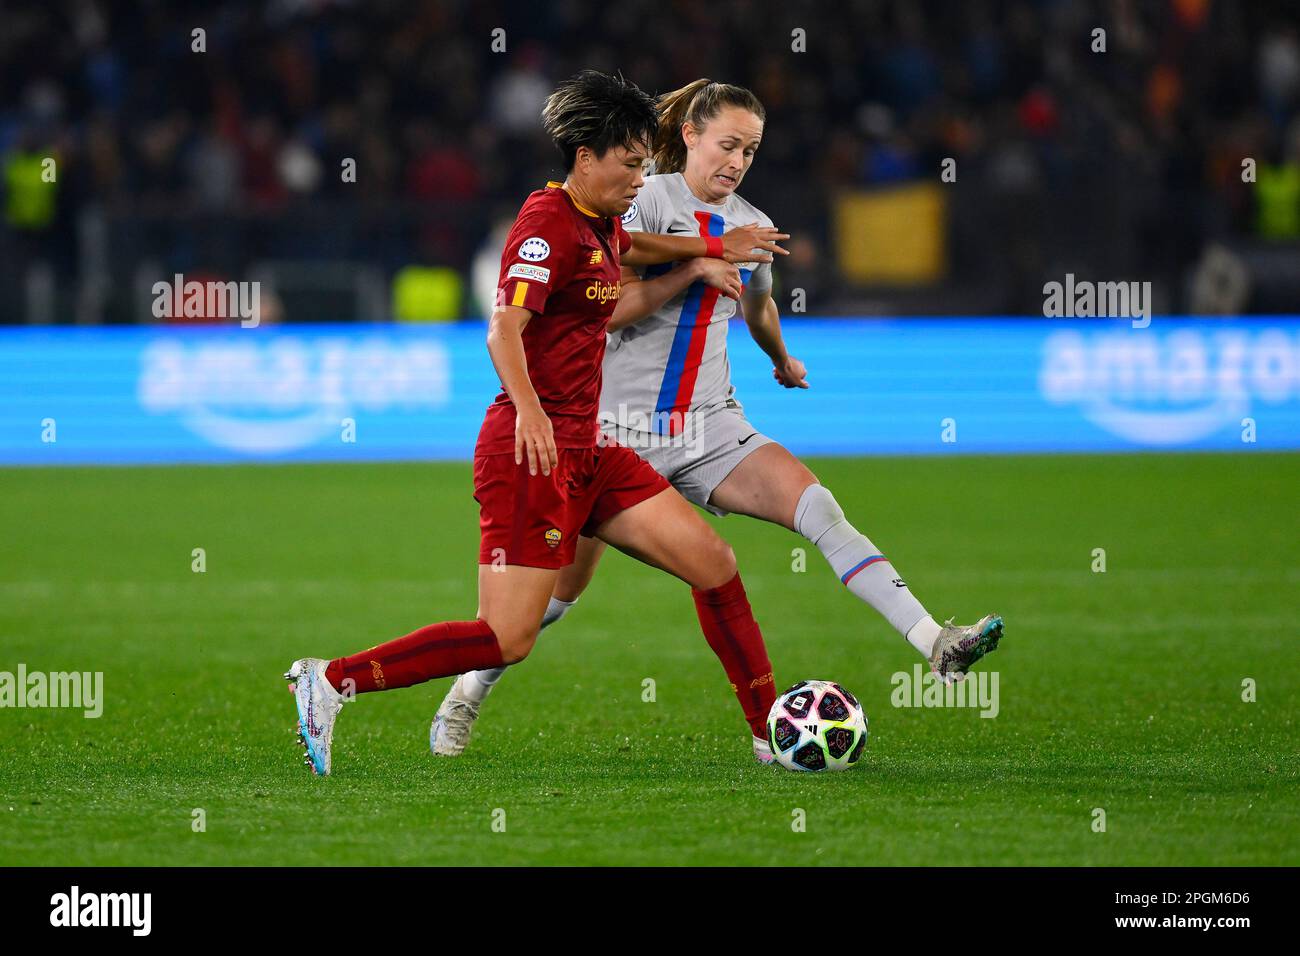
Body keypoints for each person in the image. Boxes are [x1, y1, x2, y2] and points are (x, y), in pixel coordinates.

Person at [434, 79, 1004, 761]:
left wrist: (781, 357)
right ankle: (467, 692)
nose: (737, 161)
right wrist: (699, 261)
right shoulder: (640, 198)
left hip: (709, 427)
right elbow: (604, 306)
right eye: (728, 144)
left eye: (751, 151)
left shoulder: (750, 224)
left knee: (818, 508)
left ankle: (932, 642)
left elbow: (759, 302)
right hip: (614, 431)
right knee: (556, 594)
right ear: (690, 137)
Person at [285, 71, 790, 775]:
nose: (642, 178)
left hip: (591, 448)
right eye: (631, 163)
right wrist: (529, 411)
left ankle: (772, 737)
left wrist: (704, 253)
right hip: (532, 450)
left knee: (714, 564)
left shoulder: (605, 220)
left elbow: (631, 256)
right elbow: (503, 330)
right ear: (587, 156)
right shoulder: (545, 225)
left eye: (647, 164)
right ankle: (330, 679)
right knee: (507, 637)